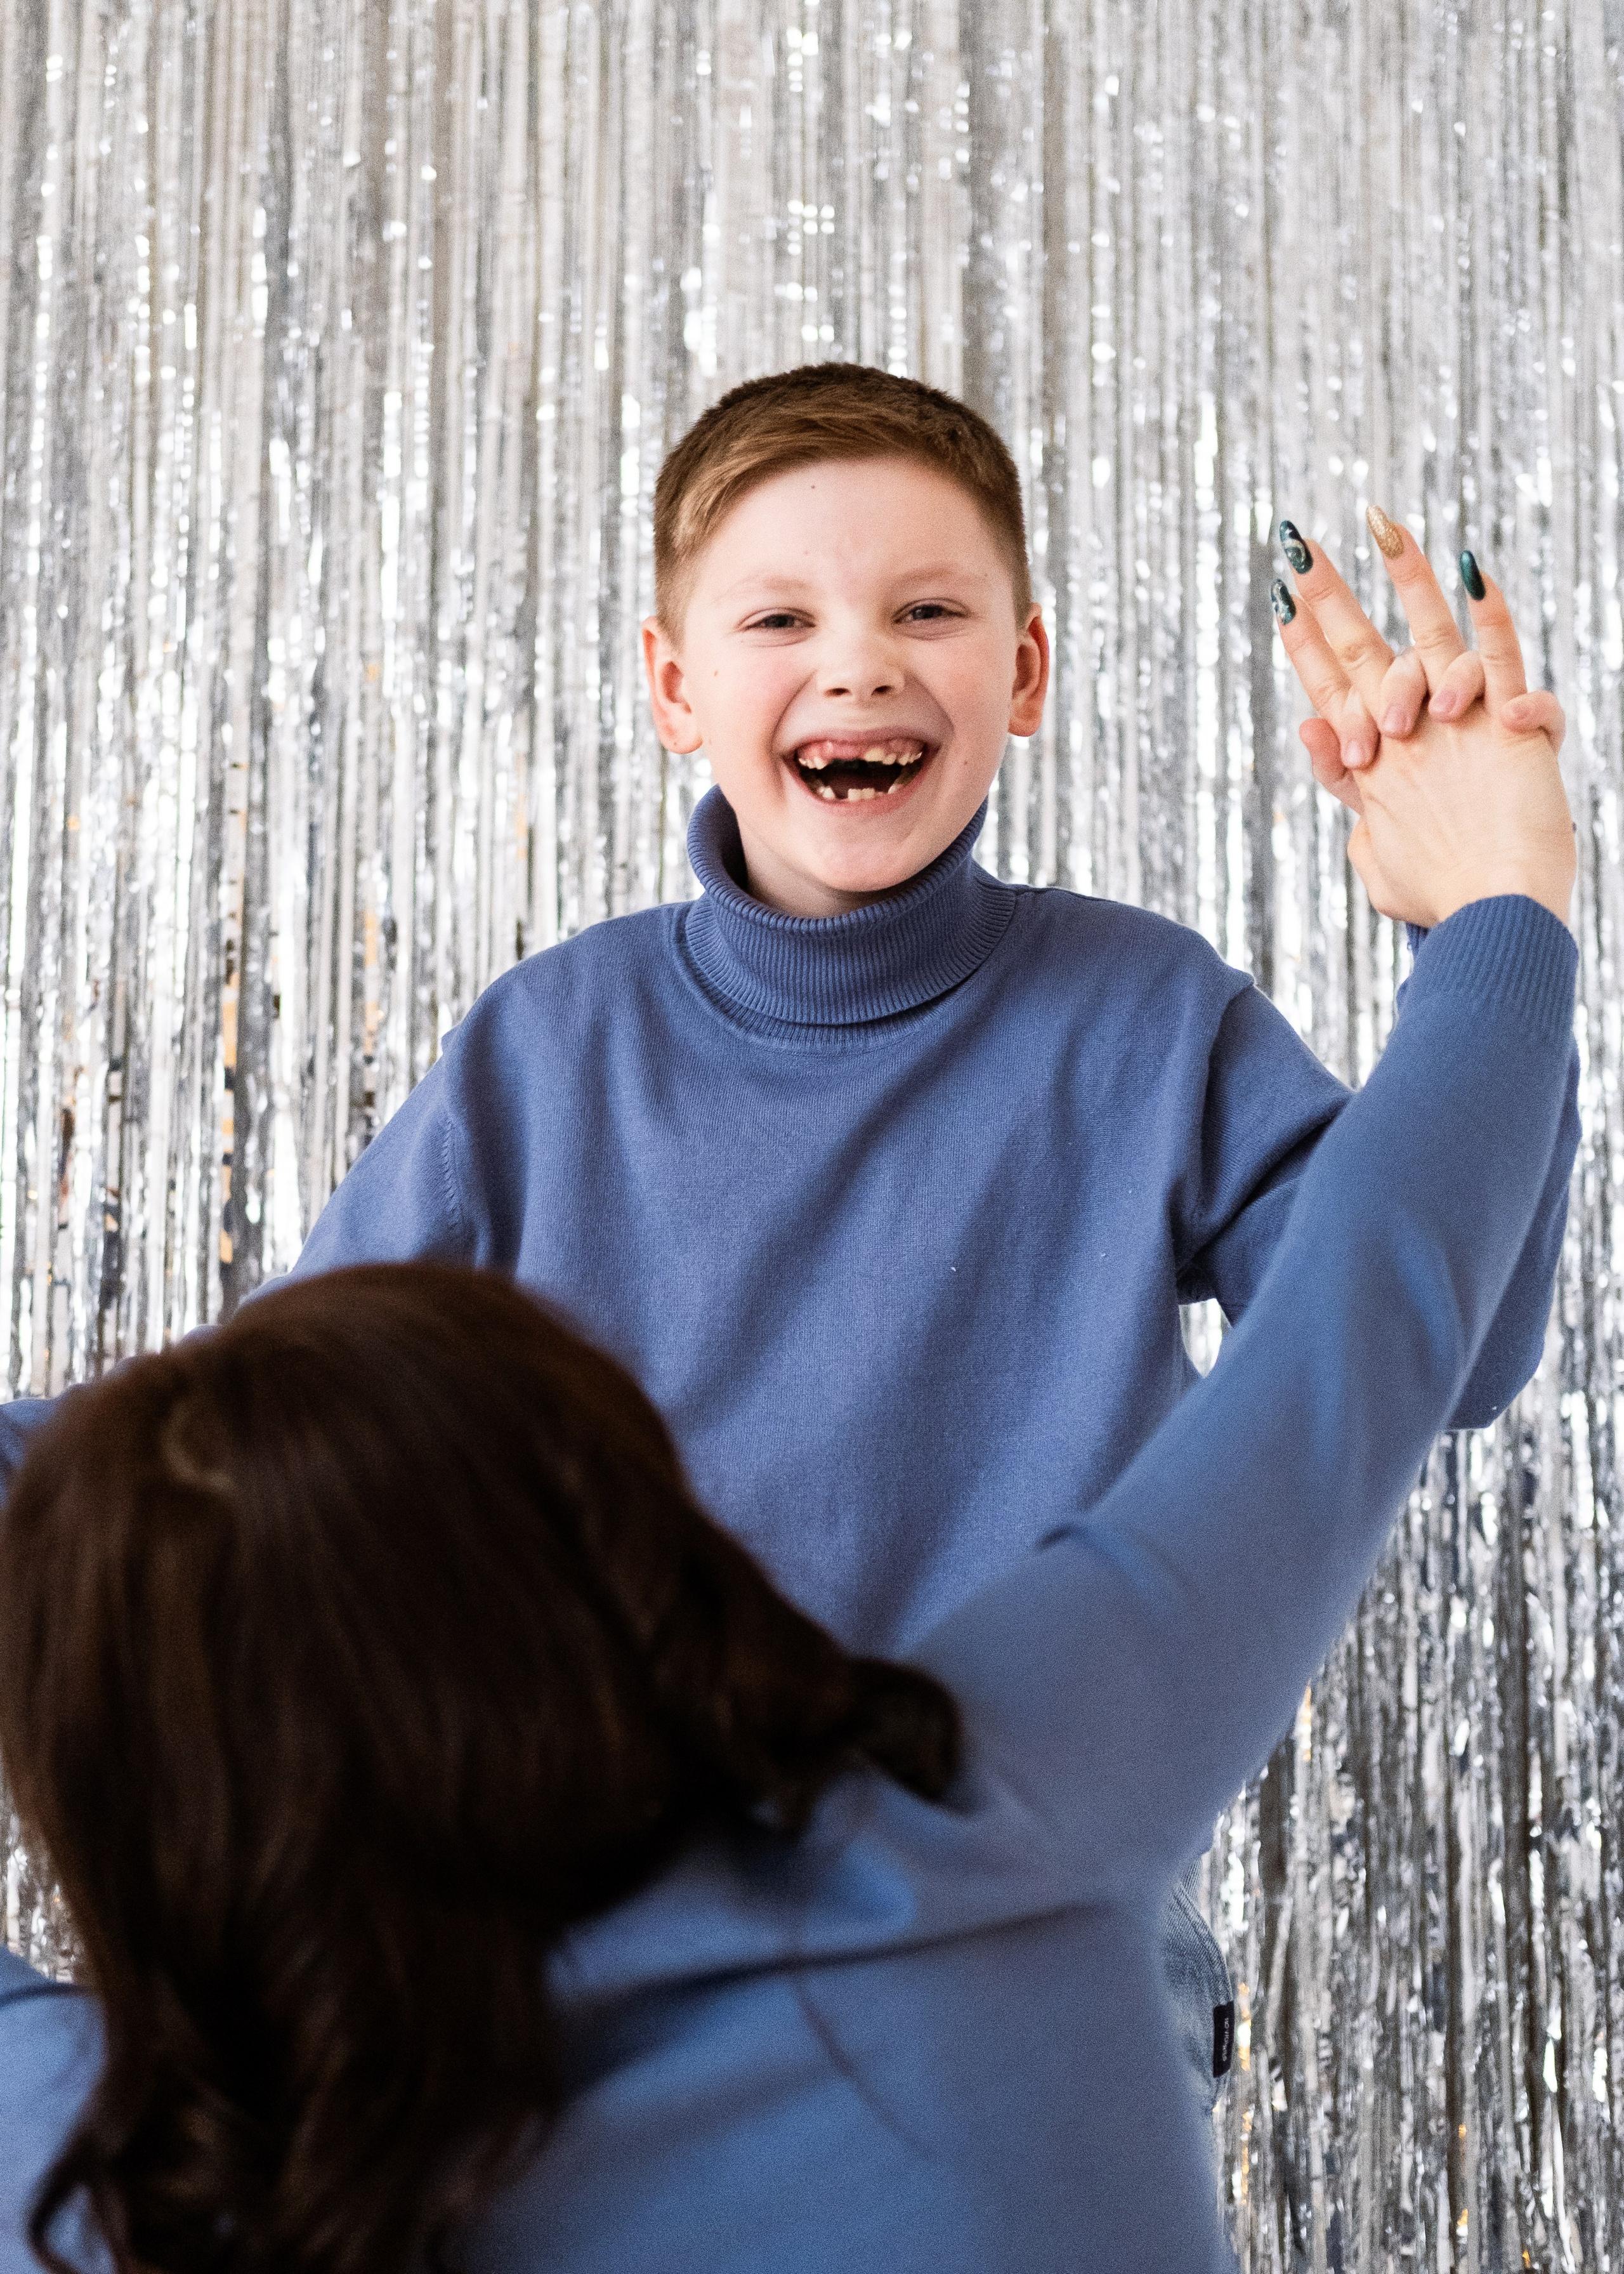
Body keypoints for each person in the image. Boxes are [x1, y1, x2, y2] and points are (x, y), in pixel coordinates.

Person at [0, 369, 1581, 2109]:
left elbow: (1450, 1346)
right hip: (608, 1962)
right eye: (780, 618)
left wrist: (1482, 922)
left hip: (1029, 1952)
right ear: (675, 685)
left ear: (1026, 672)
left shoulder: (1149, 1016)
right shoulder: (548, 1052)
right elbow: (253, 1452)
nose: (860, 665)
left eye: (927, 612)